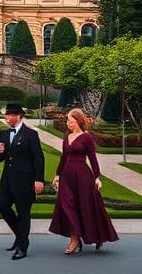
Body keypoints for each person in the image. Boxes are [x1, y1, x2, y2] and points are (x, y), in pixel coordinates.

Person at [49, 108, 119, 254]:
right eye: (67, 120)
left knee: (87, 207)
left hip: (82, 176)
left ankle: (98, 236)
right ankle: (74, 239)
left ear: (78, 120)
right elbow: (63, 157)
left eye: (70, 120)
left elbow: (93, 158)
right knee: (67, 205)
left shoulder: (86, 137)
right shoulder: (67, 135)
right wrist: (57, 175)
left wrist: (97, 177)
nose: (67, 122)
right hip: (67, 176)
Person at [0, 102, 45, 260]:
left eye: (9, 115)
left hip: (25, 180)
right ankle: (22, 237)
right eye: (6, 114)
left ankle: (22, 247)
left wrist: (39, 180)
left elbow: (39, 158)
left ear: (18, 116)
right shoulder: (4, 133)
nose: (6, 117)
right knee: (1, 206)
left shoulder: (31, 134)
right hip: (7, 179)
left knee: (23, 213)